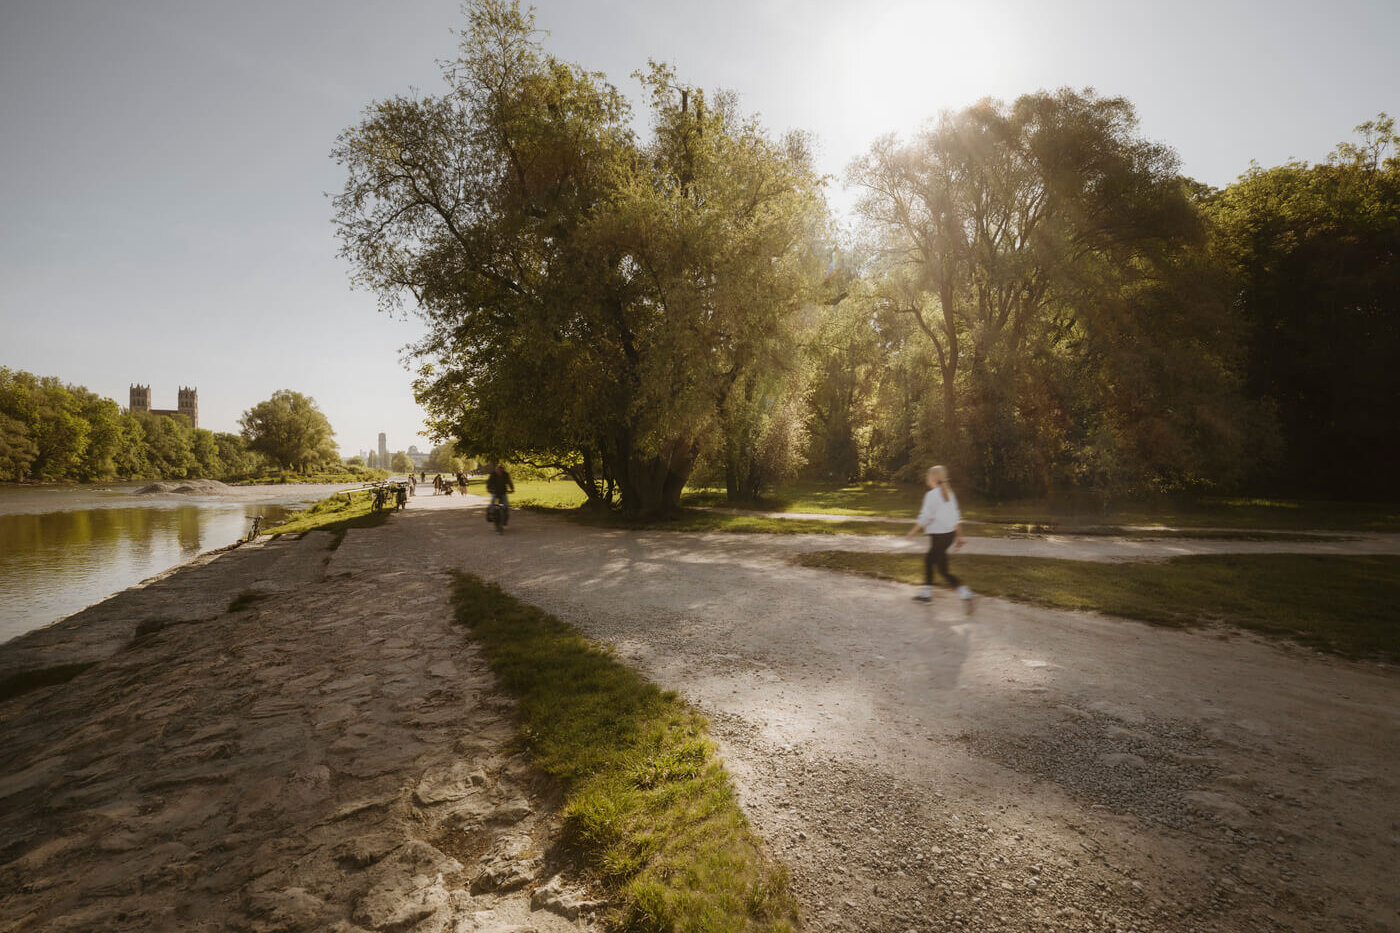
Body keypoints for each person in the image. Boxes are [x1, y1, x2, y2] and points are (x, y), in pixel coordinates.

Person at [905, 464, 975, 610]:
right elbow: (956, 517)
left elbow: (925, 517)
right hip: (948, 536)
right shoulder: (949, 493)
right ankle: (964, 592)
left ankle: (926, 595)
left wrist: (912, 532)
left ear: (932, 478)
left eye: (928, 475)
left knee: (929, 561)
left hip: (939, 537)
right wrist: (959, 537)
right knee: (942, 569)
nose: (926, 478)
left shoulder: (931, 495)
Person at [486, 463, 514, 530]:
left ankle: (505, 518)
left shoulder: (506, 475)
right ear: (496, 469)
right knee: (492, 502)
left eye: (501, 469)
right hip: (495, 491)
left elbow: (509, 482)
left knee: (506, 505)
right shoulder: (493, 474)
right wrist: (488, 488)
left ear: (503, 470)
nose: (500, 471)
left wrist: (512, 488)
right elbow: (489, 482)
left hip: (503, 492)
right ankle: (491, 513)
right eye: (498, 469)